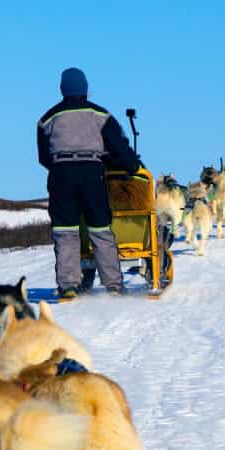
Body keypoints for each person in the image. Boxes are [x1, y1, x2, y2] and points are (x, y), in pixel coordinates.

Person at [36, 66, 141, 299]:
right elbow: (119, 146)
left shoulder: (47, 118)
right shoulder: (100, 115)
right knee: (100, 229)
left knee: (65, 232)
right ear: (85, 89)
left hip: (61, 176)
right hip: (92, 173)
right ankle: (113, 285)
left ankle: (68, 286)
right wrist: (132, 166)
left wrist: (60, 168)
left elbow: (44, 157)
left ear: (62, 90)